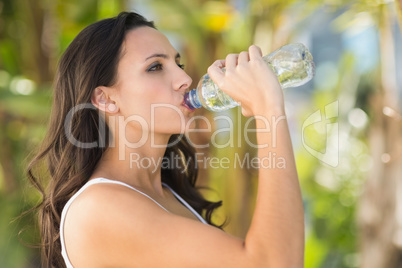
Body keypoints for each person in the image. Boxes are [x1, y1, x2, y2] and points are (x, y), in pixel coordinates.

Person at [27, 11, 305, 268]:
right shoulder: (98, 209)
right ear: (106, 98)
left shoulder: (168, 195)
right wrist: (268, 111)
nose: (185, 78)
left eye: (178, 62)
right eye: (155, 67)